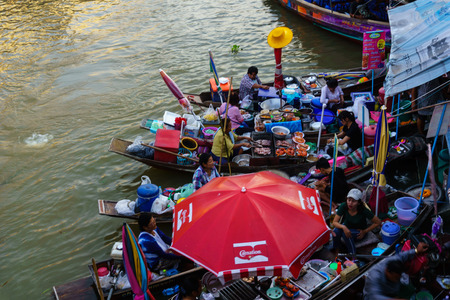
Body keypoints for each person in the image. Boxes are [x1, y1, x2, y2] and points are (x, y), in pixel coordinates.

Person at [363, 242, 429, 300]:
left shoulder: (394, 260)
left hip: (393, 291)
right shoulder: (374, 276)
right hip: (378, 296)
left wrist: (417, 250)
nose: (396, 280)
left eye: (398, 277)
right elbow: (374, 296)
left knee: (411, 290)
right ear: (387, 271)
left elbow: (403, 255)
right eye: (395, 278)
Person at [332, 188, 381, 254]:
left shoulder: (363, 210)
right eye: (349, 200)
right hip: (347, 226)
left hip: (359, 231)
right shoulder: (343, 206)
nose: (350, 203)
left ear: (358, 203)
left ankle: (352, 253)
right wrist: (344, 227)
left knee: (345, 234)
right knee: (335, 231)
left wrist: (364, 231)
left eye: (353, 201)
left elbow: (378, 222)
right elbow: (334, 222)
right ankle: (336, 249)